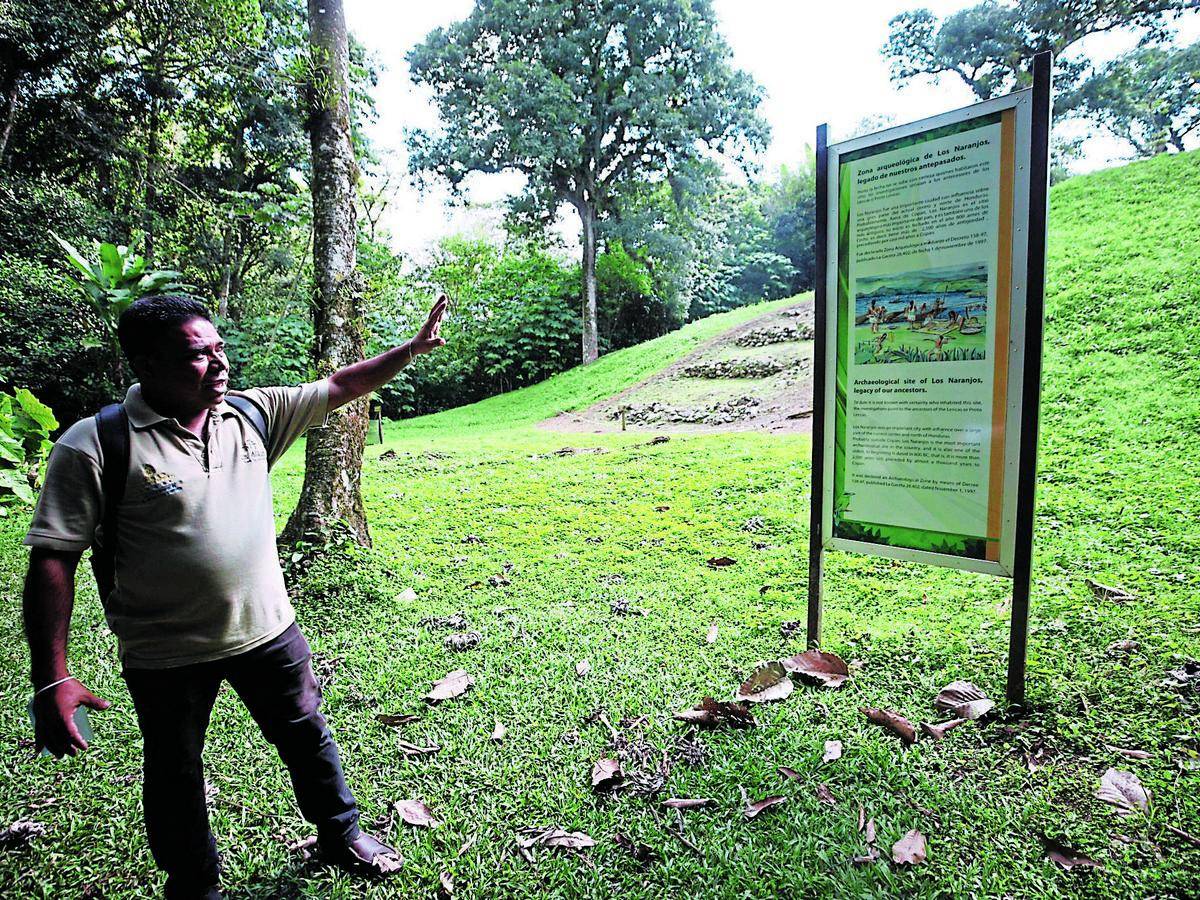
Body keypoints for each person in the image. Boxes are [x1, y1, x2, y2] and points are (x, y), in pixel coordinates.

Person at [21, 293, 448, 899]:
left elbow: (339, 385)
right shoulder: (95, 445)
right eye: (197, 356)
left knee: (305, 732)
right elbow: (53, 558)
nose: (219, 365)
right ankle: (194, 884)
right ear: (145, 364)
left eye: (220, 349)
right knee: (174, 769)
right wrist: (52, 676)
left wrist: (409, 350)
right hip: (165, 651)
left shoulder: (250, 416)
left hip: (268, 629)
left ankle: (341, 831)